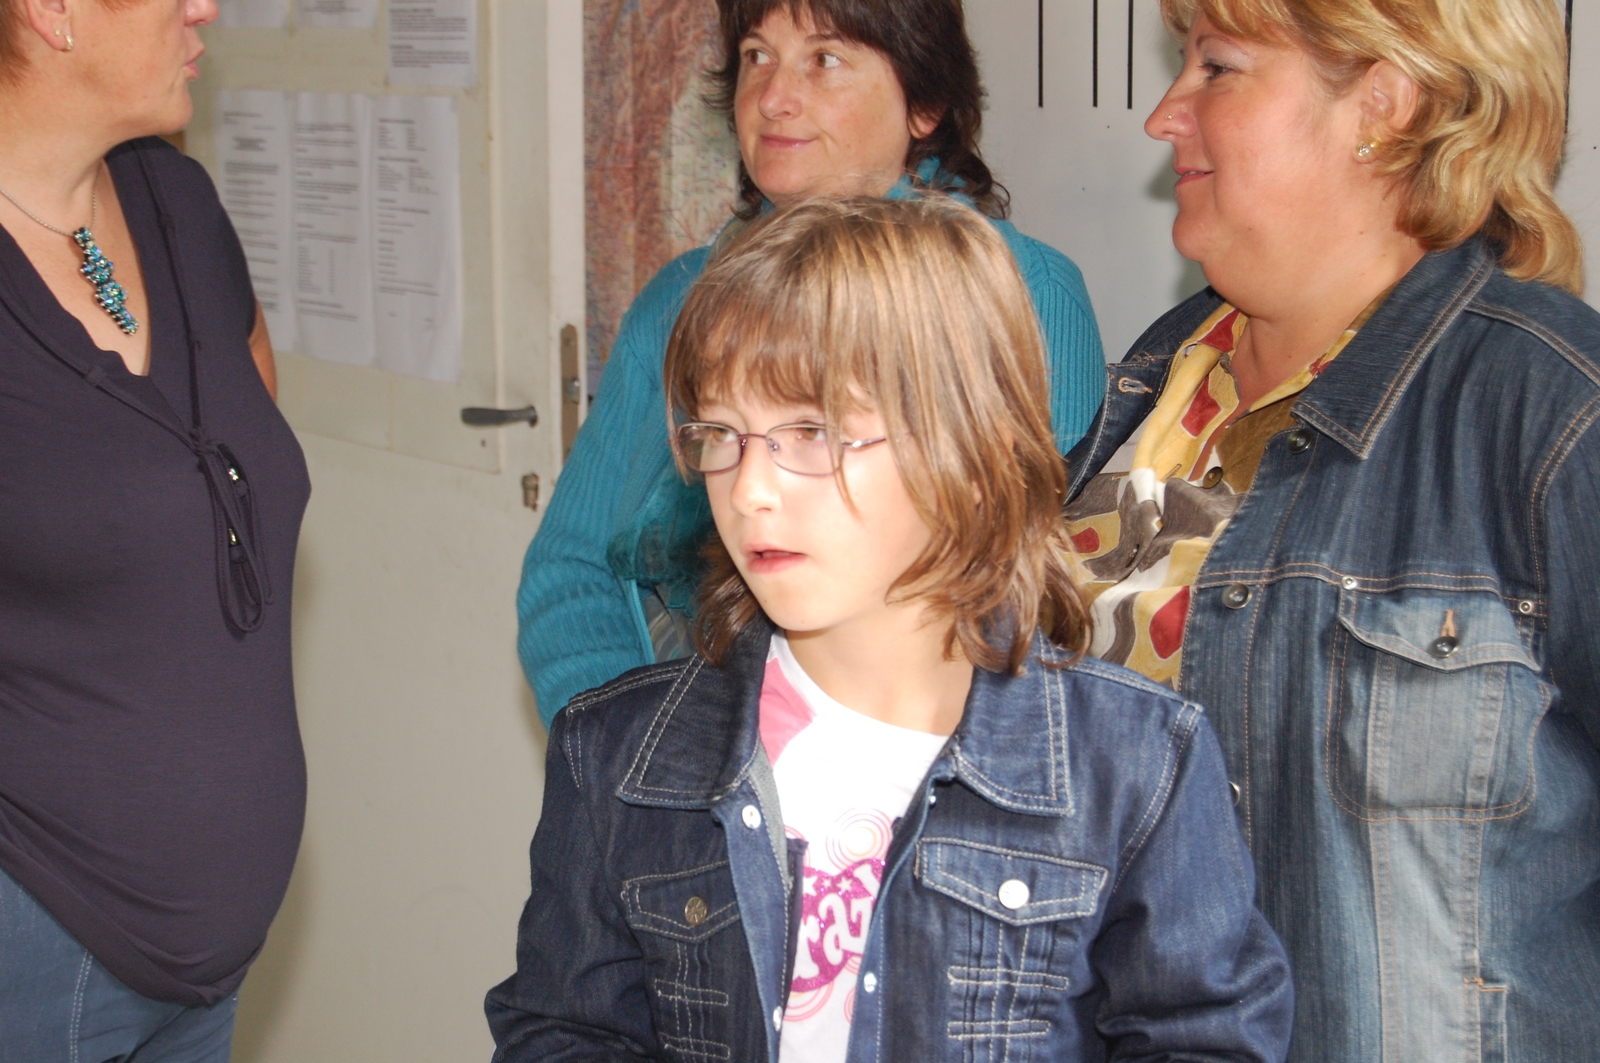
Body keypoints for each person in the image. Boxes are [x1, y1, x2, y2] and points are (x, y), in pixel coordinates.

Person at [486, 197, 1292, 1062]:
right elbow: (566, 1031)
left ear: (972, 454)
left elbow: (1206, 1039)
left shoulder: (1137, 766)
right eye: (722, 432)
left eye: (811, 432)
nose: (749, 489)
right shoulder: (613, 754)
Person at [1062, 0, 1600, 1058]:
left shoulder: (1550, 411)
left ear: (1384, 103)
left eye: (1217, 67)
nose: (1163, 115)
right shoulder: (1154, 386)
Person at [516, 0, 1106, 726]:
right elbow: (568, 571)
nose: (773, 97)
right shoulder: (677, 300)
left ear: (925, 103)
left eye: (824, 60)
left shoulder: (1022, 293)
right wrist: (636, 752)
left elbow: (1038, 592)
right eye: (757, 57)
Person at [0, 0, 310, 1057]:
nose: (203, 6)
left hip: (205, 975)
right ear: (51, 11)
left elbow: (241, 437)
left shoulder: (173, 202)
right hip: (34, 945)